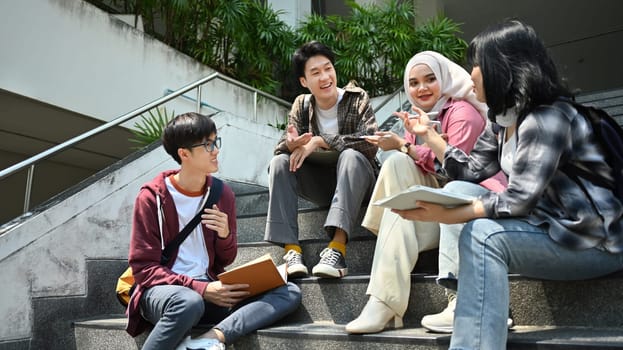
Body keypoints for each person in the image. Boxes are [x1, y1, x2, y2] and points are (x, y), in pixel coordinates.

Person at [396, 20, 623, 350]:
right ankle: (467, 304)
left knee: (482, 234)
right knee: (457, 191)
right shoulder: (502, 120)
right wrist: (428, 136)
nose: (468, 73)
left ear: (500, 66)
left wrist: (455, 215)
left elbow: (518, 201)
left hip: (596, 243)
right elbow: (470, 171)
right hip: (552, 226)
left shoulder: (547, 118)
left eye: (475, 63)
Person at [345, 51, 507, 334]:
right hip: (436, 214)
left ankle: (455, 298)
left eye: (430, 79)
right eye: (414, 82)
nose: (422, 88)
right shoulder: (417, 118)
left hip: (469, 209)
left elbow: (458, 174)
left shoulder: (463, 113)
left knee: (402, 164)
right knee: (396, 167)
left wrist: (406, 145)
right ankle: (383, 304)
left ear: (443, 79)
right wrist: (403, 146)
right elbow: (417, 167)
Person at [125, 112, 302, 350]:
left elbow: (226, 258)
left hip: (210, 289)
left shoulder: (221, 194)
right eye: (207, 145)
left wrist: (225, 235)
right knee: (188, 302)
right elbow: (144, 270)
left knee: (288, 291)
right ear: (184, 154)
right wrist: (203, 289)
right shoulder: (152, 198)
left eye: (215, 142)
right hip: (163, 295)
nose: (216, 150)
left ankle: (210, 339)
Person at [264, 41, 379, 279]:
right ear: (304, 82)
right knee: (279, 163)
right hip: (322, 186)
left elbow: (370, 142)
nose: (325, 77)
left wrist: (320, 141)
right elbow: (280, 148)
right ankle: (292, 251)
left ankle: (337, 249)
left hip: (360, 182)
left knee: (350, 155)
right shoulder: (301, 104)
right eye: (315, 72)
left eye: (328, 68)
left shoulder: (356, 98)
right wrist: (291, 145)